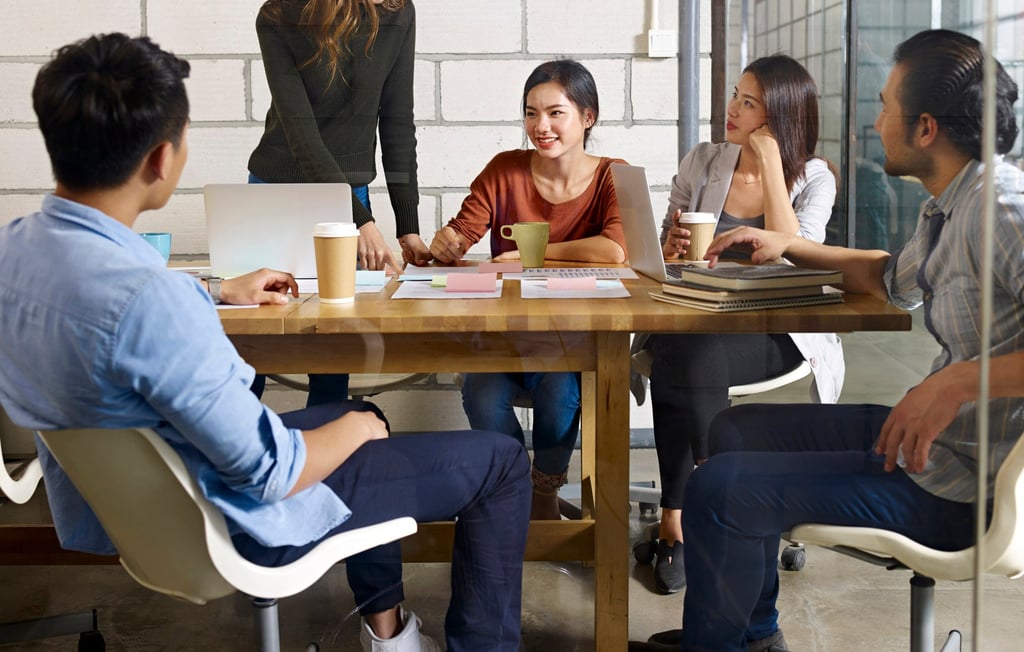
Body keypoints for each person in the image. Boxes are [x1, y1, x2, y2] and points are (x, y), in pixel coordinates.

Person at [0, 33, 531, 652]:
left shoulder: (17, 251)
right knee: (500, 462)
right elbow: (274, 473)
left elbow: (113, 307)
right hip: (233, 520)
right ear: (161, 158)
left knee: (361, 411)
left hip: (130, 511)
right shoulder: (150, 304)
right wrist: (359, 433)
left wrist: (219, 291)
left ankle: (391, 634)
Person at [634, 29, 1024, 652]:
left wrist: (955, 381)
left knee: (717, 485)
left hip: (961, 487)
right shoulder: (951, 206)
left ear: (925, 127)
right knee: (733, 433)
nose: (874, 123)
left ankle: (718, 644)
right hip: (936, 445)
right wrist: (789, 246)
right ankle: (752, 637)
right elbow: (890, 279)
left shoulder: (1002, 211)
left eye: (885, 106)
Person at [635, 55, 844, 594]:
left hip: (775, 333)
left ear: (779, 117)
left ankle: (681, 518)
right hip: (700, 323)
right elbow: (663, 251)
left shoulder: (815, 177)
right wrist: (670, 246)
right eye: (735, 95)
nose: (732, 108)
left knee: (682, 351)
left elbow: (801, 256)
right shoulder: (703, 161)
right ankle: (711, 500)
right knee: (687, 346)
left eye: (749, 102)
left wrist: (772, 166)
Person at [428, 59, 628, 519]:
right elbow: (463, 231)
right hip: (505, 335)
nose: (541, 126)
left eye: (556, 113)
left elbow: (615, 250)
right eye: (531, 113)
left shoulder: (612, 174)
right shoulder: (505, 169)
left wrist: (531, 256)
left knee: (561, 394)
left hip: (573, 339)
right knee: (481, 394)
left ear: (587, 117)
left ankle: (543, 493)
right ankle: (512, 487)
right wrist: (447, 243)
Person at [249, 0, 430, 405]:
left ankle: (326, 461)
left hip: (349, 197)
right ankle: (234, 460)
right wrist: (360, 220)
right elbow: (301, 135)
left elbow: (398, 120)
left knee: (332, 343)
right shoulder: (278, 15)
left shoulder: (396, 10)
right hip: (275, 190)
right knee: (250, 349)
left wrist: (408, 227)